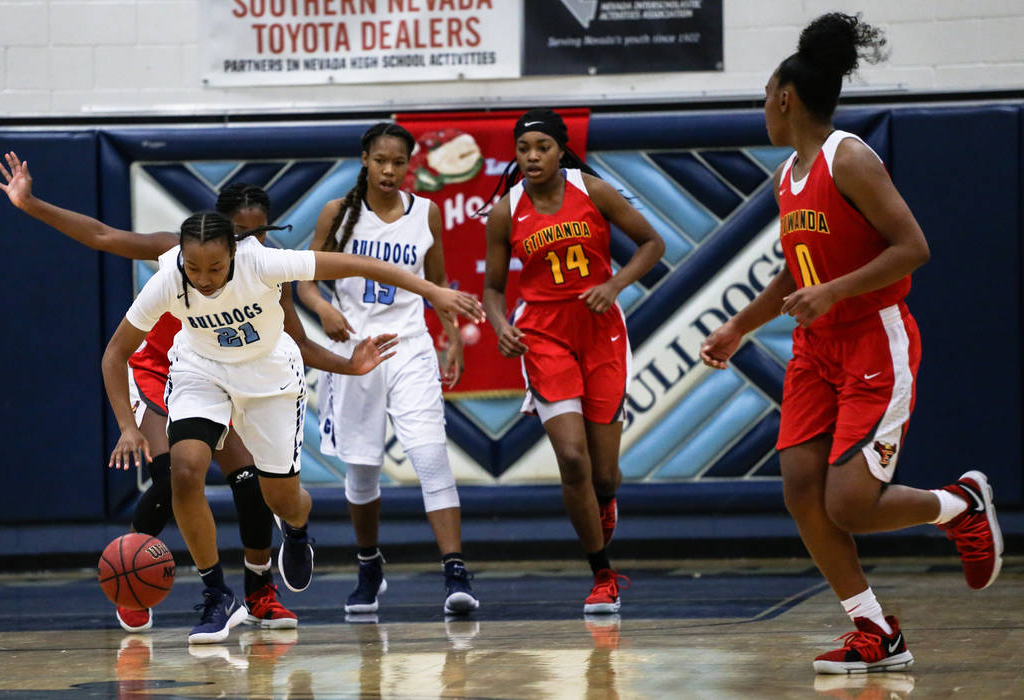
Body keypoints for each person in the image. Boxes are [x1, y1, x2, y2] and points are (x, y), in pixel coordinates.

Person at [698, 12, 1003, 674]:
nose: (764, 108)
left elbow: (913, 248)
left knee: (850, 503)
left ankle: (960, 505)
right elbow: (796, 268)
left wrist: (835, 292)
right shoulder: (789, 176)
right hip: (816, 350)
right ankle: (875, 630)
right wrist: (739, 325)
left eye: (766, 97)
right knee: (801, 490)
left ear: (784, 96)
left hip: (873, 340)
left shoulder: (851, 156)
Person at [0, 154, 406, 636]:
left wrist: (349, 364)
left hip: (233, 379)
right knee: (176, 474)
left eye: (259, 234)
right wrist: (30, 203)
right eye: (241, 233)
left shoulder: (265, 272)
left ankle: (258, 592)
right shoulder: (178, 254)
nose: (250, 244)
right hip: (164, 372)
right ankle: (136, 580)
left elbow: (299, 344)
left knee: (250, 481)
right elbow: (102, 236)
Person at [101, 209, 482, 643]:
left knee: (282, 499)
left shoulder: (263, 263)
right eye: (194, 268)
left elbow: (360, 264)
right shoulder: (169, 277)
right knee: (184, 471)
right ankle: (215, 593)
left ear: (234, 253)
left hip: (270, 380)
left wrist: (433, 290)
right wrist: (128, 426)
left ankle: (297, 530)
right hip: (200, 372)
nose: (203, 279)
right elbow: (115, 354)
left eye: (215, 268)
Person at [481, 109, 665, 614]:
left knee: (603, 473)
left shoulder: (593, 190)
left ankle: (604, 501)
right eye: (524, 149)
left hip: (601, 330)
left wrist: (613, 284)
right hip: (543, 334)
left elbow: (653, 243)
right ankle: (601, 573)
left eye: (542, 147)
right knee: (573, 459)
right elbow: (494, 288)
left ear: (560, 150)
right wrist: (501, 326)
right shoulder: (506, 210)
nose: (532, 157)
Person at [296, 122, 479, 616]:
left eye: (399, 162)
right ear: (364, 158)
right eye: (381, 160)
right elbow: (306, 284)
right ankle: (369, 564)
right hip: (354, 353)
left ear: (409, 165)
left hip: (410, 346)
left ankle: (455, 571)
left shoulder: (427, 213)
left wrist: (452, 338)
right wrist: (325, 309)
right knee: (363, 470)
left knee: (429, 455)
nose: (390, 170)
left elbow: (437, 283)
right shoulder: (337, 213)